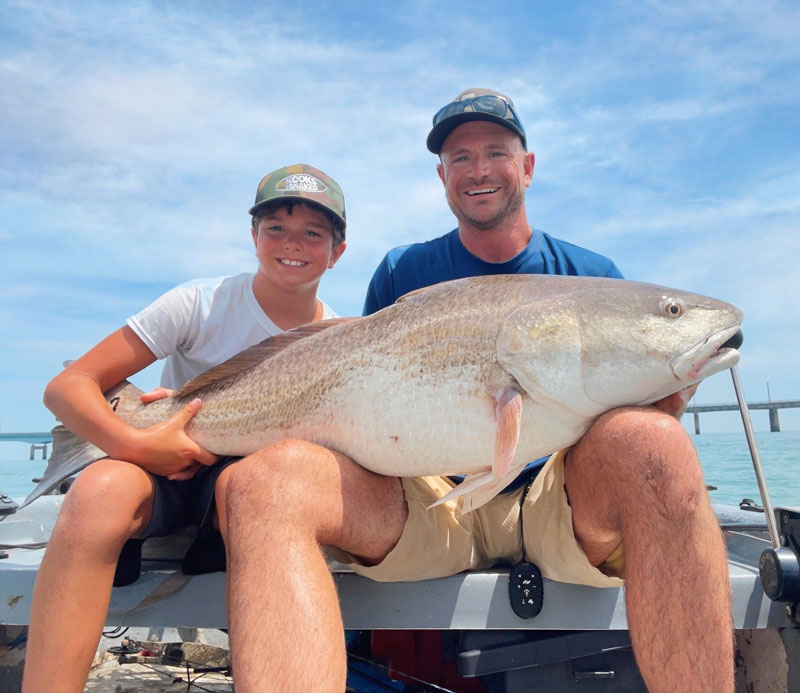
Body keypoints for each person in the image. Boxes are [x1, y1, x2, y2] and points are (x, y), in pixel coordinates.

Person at [214, 89, 734, 693]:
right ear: (442, 176)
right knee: (259, 484)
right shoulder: (401, 272)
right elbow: (357, 398)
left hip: (554, 499)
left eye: (495, 151)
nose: (479, 170)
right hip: (430, 504)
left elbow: (627, 439)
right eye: (460, 158)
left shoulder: (593, 276)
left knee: (655, 442)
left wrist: (663, 400)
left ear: (528, 166)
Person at [22, 163, 348, 692]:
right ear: (254, 237)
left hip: (246, 488)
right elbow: (69, 386)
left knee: (256, 488)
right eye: (276, 229)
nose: (293, 243)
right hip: (163, 466)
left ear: (337, 251)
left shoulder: (335, 339)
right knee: (95, 491)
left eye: (314, 232)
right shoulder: (199, 302)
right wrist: (136, 445)